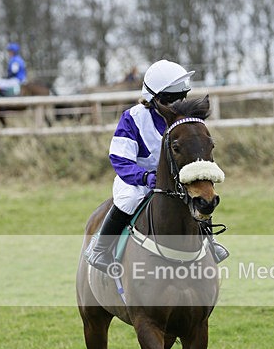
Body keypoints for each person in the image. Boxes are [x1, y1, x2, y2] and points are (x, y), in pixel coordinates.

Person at [85, 59, 228, 273]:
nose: (177, 103)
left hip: (175, 179)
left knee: (199, 194)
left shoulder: (186, 121)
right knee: (129, 199)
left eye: (182, 96)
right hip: (137, 180)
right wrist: (144, 178)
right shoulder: (133, 118)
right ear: (156, 98)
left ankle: (209, 241)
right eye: (172, 99)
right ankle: (100, 248)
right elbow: (120, 158)